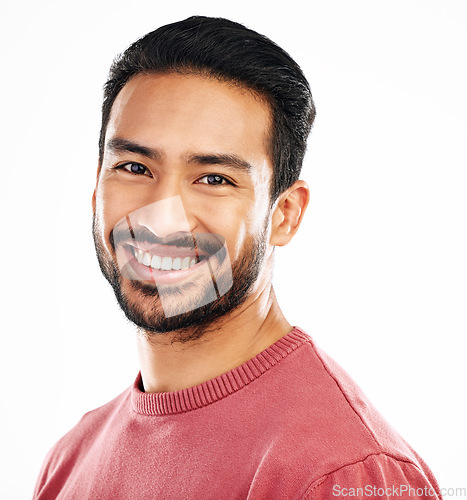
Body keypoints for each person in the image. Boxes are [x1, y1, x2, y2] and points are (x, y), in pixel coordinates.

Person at [34, 16, 442, 499]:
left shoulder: (341, 473)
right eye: (134, 167)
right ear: (97, 182)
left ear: (285, 214)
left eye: (213, 179)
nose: (162, 221)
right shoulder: (70, 459)